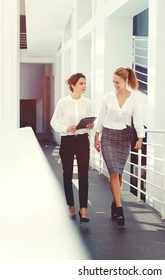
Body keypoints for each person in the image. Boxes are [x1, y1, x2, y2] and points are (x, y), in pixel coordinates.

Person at [94, 67, 145, 226]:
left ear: (125, 81)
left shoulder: (134, 99)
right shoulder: (108, 97)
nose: (114, 84)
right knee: (113, 173)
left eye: (117, 82)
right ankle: (120, 208)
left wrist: (140, 137)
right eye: (113, 82)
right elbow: (101, 116)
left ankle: (114, 202)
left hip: (124, 138)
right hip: (108, 137)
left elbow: (137, 118)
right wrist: (96, 135)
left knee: (120, 173)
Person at [50, 73, 94, 224]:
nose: (84, 86)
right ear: (73, 85)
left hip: (82, 140)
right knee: (67, 174)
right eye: (81, 83)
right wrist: (65, 128)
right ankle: (71, 206)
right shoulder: (63, 102)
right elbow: (54, 122)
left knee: (84, 174)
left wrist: (90, 126)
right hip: (67, 141)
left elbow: (89, 122)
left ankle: (83, 209)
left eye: (85, 83)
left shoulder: (87, 102)